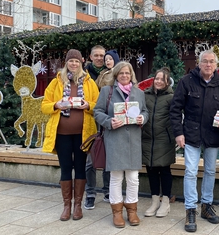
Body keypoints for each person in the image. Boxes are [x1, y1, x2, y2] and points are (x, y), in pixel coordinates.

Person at [170, 49, 219, 233]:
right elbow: (175, 109)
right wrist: (178, 133)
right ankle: (191, 209)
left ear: (216, 65)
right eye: (205, 61)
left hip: (213, 135)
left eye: (211, 62)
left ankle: (207, 205)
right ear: (199, 64)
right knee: (190, 171)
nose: (208, 65)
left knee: (210, 170)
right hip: (190, 135)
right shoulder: (186, 82)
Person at [41, 49, 99, 222]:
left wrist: (88, 105)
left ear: (81, 62)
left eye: (76, 61)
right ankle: (67, 205)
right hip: (62, 134)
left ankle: (78, 206)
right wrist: (56, 104)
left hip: (83, 135)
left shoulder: (89, 82)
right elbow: (44, 105)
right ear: (66, 63)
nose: (74, 64)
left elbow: (98, 105)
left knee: (81, 168)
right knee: (66, 169)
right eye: (70, 61)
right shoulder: (56, 82)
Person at [94, 61, 148, 228]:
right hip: (115, 139)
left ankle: (132, 210)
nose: (125, 76)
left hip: (132, 140)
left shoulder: (139, 93)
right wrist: (109, 122)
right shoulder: (106, 91)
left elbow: (145, 111)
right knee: (116, 178)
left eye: (127, 73)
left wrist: (142, 119)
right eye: (121, 73)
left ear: (131, 74)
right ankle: (117, 212)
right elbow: (97, 112)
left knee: (133, 178)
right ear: (116, 75)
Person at [142, 67, 175, 218]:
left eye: (162, 79)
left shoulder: (171, 97)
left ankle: (166, 202)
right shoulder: (145, 95)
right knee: (151, 170)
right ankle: (155, 200)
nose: (159, 81)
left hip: (164, 138)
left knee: (165, 170)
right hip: (148, 137)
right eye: (157, 78)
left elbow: (176, 116)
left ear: (167, 82)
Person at [83, 45, 111, 210]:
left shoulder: (112, 72)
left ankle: (108, 191)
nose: (100, 58)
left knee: (108, 157)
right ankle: (91, 194)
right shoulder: (85, 74)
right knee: (90, 161)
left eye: (103, 55)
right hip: (90, 120)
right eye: (97, 55)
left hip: (106, 120)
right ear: (91, 57)